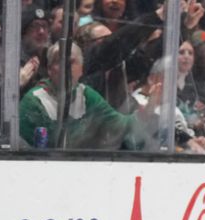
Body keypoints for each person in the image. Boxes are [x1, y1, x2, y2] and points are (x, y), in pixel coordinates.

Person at [19, 41, 152, 149]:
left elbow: (118, 126)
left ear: (81, 70)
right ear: (49, 69)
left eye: (71, 62)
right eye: (59, 61)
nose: (66, 67)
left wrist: (145, 112)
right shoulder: (34, 100)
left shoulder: (87, 95)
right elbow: (25, 148)